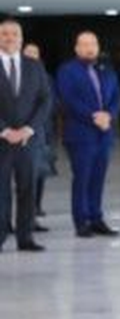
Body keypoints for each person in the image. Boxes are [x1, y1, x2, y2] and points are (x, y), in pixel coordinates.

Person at [56, 29, 120, 237]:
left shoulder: (106, 69)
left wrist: (109, 115)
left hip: (104, 135)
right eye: (84, 44)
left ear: (98, 47)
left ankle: (96, 218)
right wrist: (95, 117)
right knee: (82, 178)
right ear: (77, 48)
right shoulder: (67, 70)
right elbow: (68, 100)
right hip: (80, 134)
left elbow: (117, 97)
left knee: (98, 178)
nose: (89, 48)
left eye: (92, 44)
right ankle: (81, 222)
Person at [0, 18, 52, 252]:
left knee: (28, 189)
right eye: (4, 34)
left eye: (14, 34)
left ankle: (25, 238)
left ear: (21, 38)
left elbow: (45, 100)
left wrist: (29, 128)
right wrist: (5, 130)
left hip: (29, 141)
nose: (9, 37)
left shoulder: (35, 66)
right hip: (2, 141)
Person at [20, 41, 54, 226]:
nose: (32, 56)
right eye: (28, 53)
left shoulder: (45, 77)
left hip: (40, 134)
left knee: (38, 176)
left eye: (35, 53)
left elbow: (50, 103)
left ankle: (32, 215)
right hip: (16, 134)